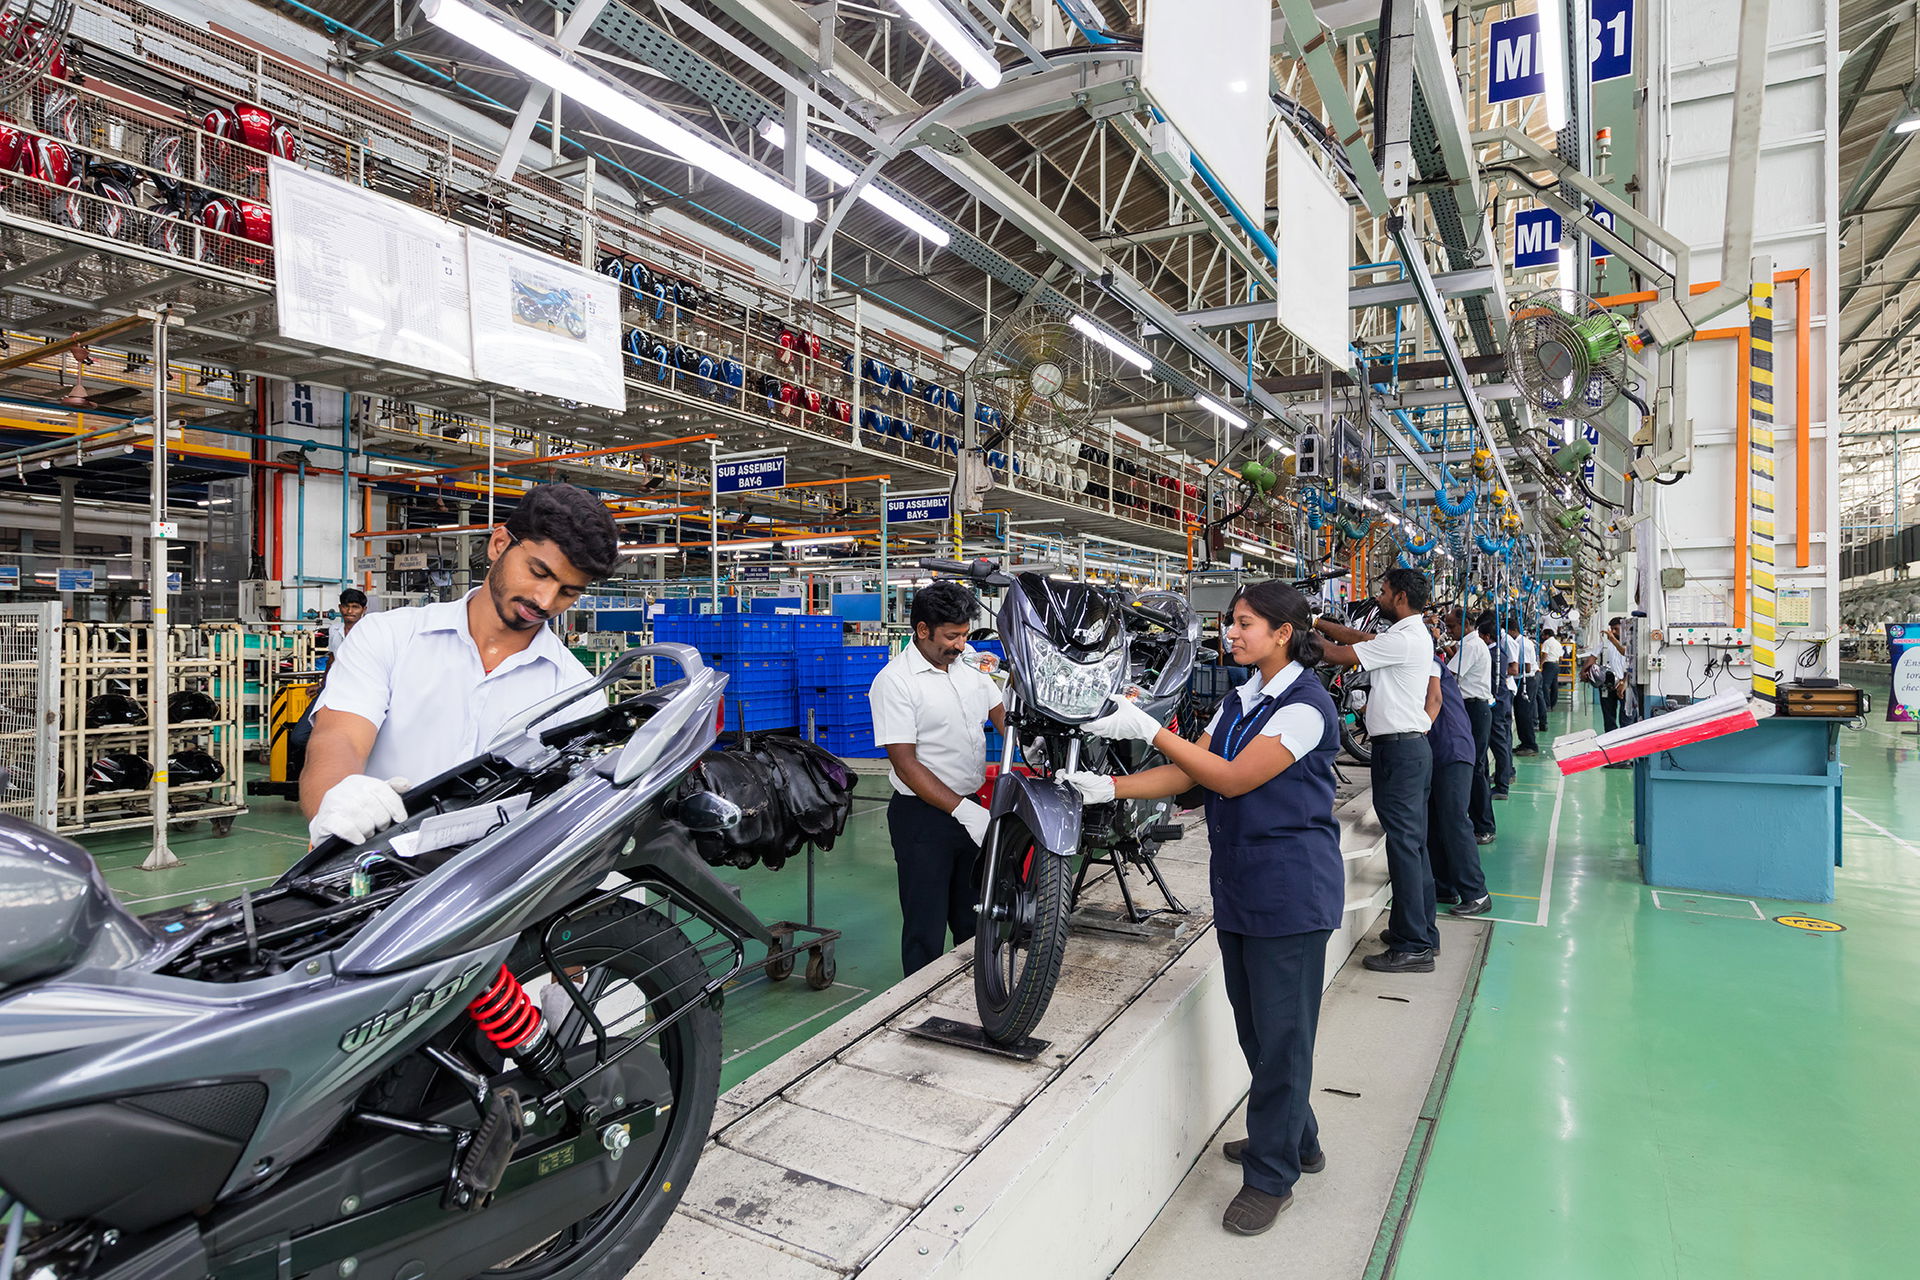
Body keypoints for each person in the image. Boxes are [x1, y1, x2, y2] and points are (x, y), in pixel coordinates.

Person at [1057, 581, 1341, 1236]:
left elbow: (1233, 777)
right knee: (1257, 1030)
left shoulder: (1304, 707)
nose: (1230, 634)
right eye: (1229, 624)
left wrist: (1151, 727)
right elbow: (1191, 772)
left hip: (1291, 892)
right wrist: (1110, 786)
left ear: (1282, 634)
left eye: (1243, 624)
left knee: (1283, 1039)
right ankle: (1297, 1138)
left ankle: (1271, 1175)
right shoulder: (1242, 699)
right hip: (1243, 885)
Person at [302, 484, 619, 846]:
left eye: (568, 592)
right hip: (371, 875)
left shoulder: (577, 693)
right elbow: (337, 738)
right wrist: (336, 797)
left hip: (488, 893)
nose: (545, 600)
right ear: (499, 544)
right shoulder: (389, 636)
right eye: (538, 572)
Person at [869, 580, 1005, 976]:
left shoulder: (971, 666)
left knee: (974, 919)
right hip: (922, 819)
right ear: (923, 630)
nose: (960, 645)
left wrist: (1026, 743)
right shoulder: (895, 682)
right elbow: (905, 765)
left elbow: (1000, 711)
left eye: (964, 635)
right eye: (951, 636)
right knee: (925, 930)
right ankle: (918, 1007)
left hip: (972, 810)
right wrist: (963, 810)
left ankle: (971, 995)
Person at [1315, 567, 1439, 973]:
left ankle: (1414, 945)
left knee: (1404, 846)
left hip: (1400, 752)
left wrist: (1295, 631)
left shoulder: (1404, 639)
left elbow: (1337, 654)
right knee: (1413, 845)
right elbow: (1362, 640)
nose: (1379, 597)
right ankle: (1420, 929)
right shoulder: (1411, 635)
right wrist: (1317, 621)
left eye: (1383, 592)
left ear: (1400, 597)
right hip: (1410, 749)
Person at [1425, 649, 1490, 917]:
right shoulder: (1420, 664)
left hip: (1452, 751)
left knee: (1454, 821)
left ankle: (1476, 893)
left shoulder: (1429, 665)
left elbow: (1435, 701)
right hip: (1437, 754)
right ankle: (1444, 885)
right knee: (1434, 821)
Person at [1449, 611, 1497, 845]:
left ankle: (1483, 826)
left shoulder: (1470, 646)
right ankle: (1481, 823)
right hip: (1475, 709)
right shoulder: (1471, 644)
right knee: (1478, 766)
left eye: (1451, 626)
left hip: (1474, 709)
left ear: (1465, 624)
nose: (1449, 630)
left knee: (1476, 768)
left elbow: (1450, 675)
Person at [1489, 613, 1518, 798]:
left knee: (1501, 742)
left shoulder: (1506, 643)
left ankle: (1504, 781)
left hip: (1503, 693)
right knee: (1503, 740)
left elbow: (1514, 669)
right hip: (1502, 694)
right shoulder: (1500, 643)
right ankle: (1505, 774)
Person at [1511, 619, 1539, 757]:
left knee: (1525, 714)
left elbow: (1527, 667)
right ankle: (1524, 743)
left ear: (1512, 630)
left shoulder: (1523, 644)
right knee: (1520, 714)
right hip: (1521, 681)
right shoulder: (1517, 642)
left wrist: (1508, 668)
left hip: (1526, 681)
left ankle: (1530, 745)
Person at [325, 588, 368, 653]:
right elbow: (332, 657)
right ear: (340, 607)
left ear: (364, 609)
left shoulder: (369, 632)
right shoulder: (334, 629)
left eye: (355, 607)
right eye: (345, 606)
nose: (349, 611)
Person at [1540, 627, 1564, 715]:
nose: (1542, 637)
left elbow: (1545, 654)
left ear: (1547, 635)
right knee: (1554, 685)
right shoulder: (1558, 643)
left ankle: (1547, 705)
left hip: (1549, 664)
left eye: (1543, 635)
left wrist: (1540, 664)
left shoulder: (1547, 642)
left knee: (1545, 685)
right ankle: (1553, 704)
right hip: (1556, 664)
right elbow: (1561, 657)